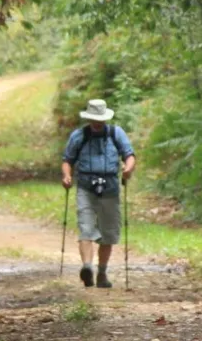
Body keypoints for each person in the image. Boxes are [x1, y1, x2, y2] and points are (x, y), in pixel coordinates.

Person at [61, 99, 136, 288]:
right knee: (86, 228)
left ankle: (102, 272)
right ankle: (87, 267)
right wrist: (67, 176)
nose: (97, 123)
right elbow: (67, 159)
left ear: (105, 119)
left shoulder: (116, 133)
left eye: (100, 120)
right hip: (86, 188)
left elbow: (129, 155)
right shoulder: (79, 136)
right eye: (94, 120)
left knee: (108, 233)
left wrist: (128, 169)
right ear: (89, 119)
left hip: (110, 188)